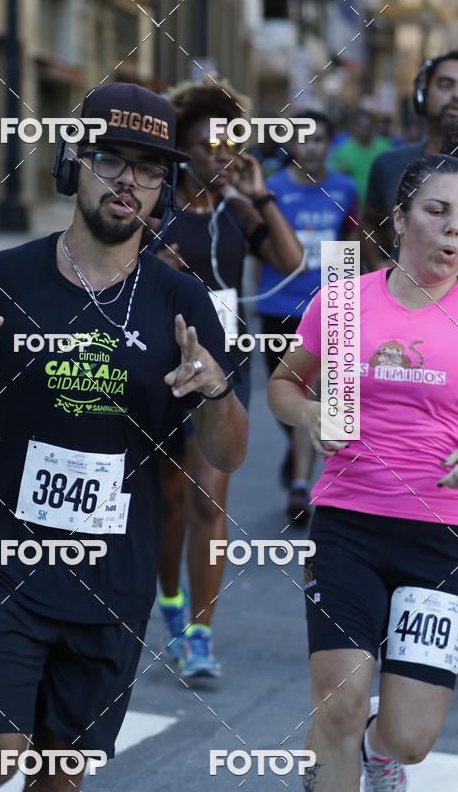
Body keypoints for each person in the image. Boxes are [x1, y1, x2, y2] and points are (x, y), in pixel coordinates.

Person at [0, 82, 248, 792]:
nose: (128, 181)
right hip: (5, 558)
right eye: (110, 160)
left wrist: (215, 391)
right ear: (72, 162)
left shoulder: (182, 301)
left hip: (115, 577)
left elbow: (229, 452)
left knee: (58, 777)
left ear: (164, 188)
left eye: (149, 168)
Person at [268, 153, 458, 791]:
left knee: (410, 738)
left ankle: (380, 752)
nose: (452, 229)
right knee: (339, 707)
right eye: (437, 211)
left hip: (442, 536)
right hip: (348, 523)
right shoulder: (346, 302)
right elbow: (284, 385)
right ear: (400, 219)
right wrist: (310, 413)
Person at [147, 77, 304, 678]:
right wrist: (155, 266)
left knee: (209, 502)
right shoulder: (157, 211)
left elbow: (291, 262)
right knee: (170, 502)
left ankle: (200, 635)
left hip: (223, 374)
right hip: (162, 371)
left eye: (230, 145)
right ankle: (170, 603)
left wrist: (261, 195)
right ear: (182, 151)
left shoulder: (239, 211)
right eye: (208, 146)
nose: (222, 157)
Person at [256, 110, 359, 522]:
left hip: (326, 309)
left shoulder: (345, 189)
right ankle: (295, 450)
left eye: (319, 139)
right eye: (304, 139)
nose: (311, 147)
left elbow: (349, 246)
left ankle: (300, 487)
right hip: (278, 308)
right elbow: (257, 250)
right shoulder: (270, 189)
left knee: (314, 393)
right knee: (284, 395)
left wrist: (349, 302)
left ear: (330, 144)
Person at [362, 50, 458, 271]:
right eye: (446, 85)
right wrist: (379, 267)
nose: (456, 94)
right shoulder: (388, 164)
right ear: (421, 94)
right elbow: (370, 222)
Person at [329, 108, 391, 211]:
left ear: (373, 126)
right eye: (360, 126)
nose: (364, 130)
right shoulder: (343, 150)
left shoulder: (385, 146)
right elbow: (333, 180)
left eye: (367, 126)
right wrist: (340, 174)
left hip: (379, 210)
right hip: (352, 208)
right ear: (353, 127)